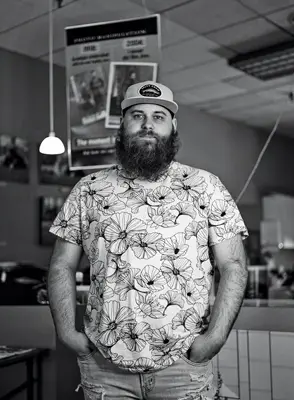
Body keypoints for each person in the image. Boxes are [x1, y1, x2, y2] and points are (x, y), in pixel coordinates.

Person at [47, 81, 249, 399]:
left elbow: (234, 265)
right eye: (137, 115)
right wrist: (66, 332)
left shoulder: (206, 186)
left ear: (173, 127)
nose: (148, 125)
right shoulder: (88, 189)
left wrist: (215, 338)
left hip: (184, 368)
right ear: (122, 124)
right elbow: (61, 265)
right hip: (105, 368)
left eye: (159, 116)